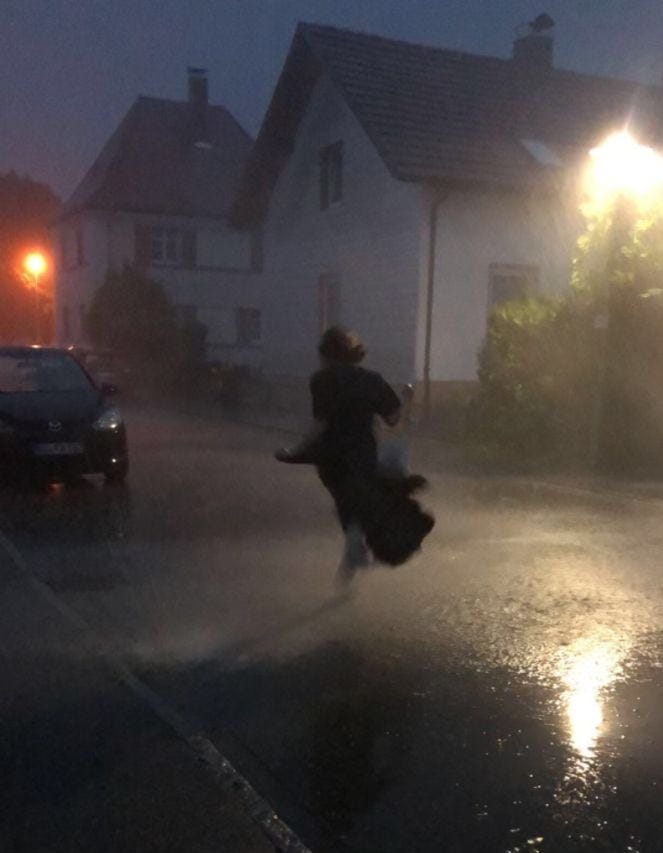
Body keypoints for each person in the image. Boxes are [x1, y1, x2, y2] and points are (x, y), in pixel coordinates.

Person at [276, 327, 432, 585]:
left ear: (326, 354)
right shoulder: (372, 379)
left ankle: (354, 549)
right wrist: (404, 400)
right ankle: (357, 548)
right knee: (360, 498)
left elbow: (320, 424)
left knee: (347, 501)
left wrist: (295, 451)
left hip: (332, 458)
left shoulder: (322, 380)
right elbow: (393, 418)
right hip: (362, 455)